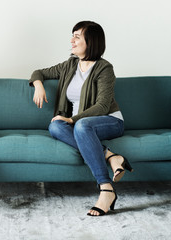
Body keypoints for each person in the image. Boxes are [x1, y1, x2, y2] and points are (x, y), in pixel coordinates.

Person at [29, 21, 133, 216]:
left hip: (109, 120)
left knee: (80, 125)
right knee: (55, 126)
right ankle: (111, 156)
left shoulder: (104, 69)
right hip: (81, 124)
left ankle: (106, 188)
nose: (72, 40)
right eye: (72, 36)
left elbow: (102, 106)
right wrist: (38, 85)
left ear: (91, 41)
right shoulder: (69, 65)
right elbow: (39, 72)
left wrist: (73, 119)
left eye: (77, 36)